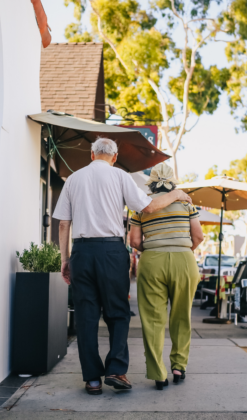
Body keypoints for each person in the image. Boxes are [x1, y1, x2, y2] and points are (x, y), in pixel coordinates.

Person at [52, 138, 192, 396]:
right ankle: (116, 370)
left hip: (82, 251)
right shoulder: (121, 176)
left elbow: (63, 224)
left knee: (86, 317)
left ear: (92, 155)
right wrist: (174, 194)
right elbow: (148, 207)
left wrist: (66, 259)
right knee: (117, 312)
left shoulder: (73, 179)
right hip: (111, 252)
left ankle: (93, 380)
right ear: (114, 157)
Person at [129, 163, 204, 390]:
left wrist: (154, 249)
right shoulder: (185, 204)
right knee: (182, 315)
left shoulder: (142, 207)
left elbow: (133, 241)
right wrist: (181, 249)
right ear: (173, 181)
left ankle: (158, 373)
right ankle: (179, 366)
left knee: (152, 319)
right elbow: (198, 236)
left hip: (152, 261)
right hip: (184, 260)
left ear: (150, 181)